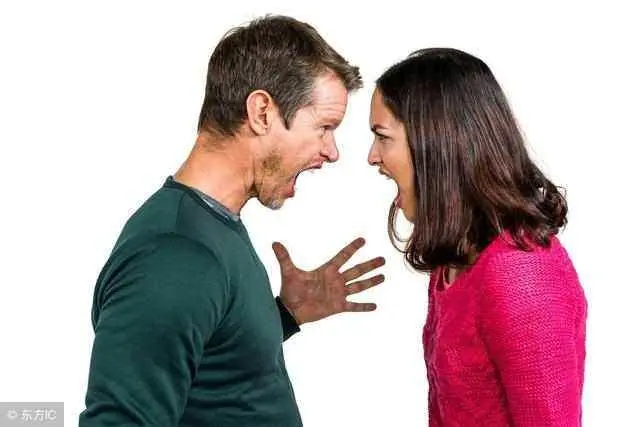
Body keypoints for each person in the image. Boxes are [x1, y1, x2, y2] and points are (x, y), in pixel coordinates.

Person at [79, 15, 386, 427]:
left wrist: (284, 315)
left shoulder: (212, 228)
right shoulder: (175, 256)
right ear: (262, 112)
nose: (332, 152)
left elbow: (211, 366)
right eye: (324, 128)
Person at [368, 48, 587, 426]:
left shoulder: (520, 275)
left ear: (436, 142)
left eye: (382, 137)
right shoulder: (455, 260)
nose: (373, 156)